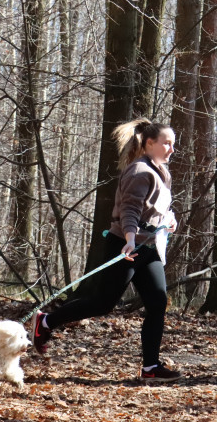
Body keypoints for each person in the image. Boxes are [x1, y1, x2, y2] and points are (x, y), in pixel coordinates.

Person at [32, 118, 182, 383]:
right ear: (150, 143)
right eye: (166, 143)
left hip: (147, 247)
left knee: (157, 302)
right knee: (103, 303)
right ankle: (46, 322)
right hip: (126, 245)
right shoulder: (139, 171)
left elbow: (157, 208)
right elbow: (130, 209)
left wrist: (168, 220)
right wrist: (130, 238)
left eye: (173, 144)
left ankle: (151, 367)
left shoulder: (161, 171)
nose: (171, 149)